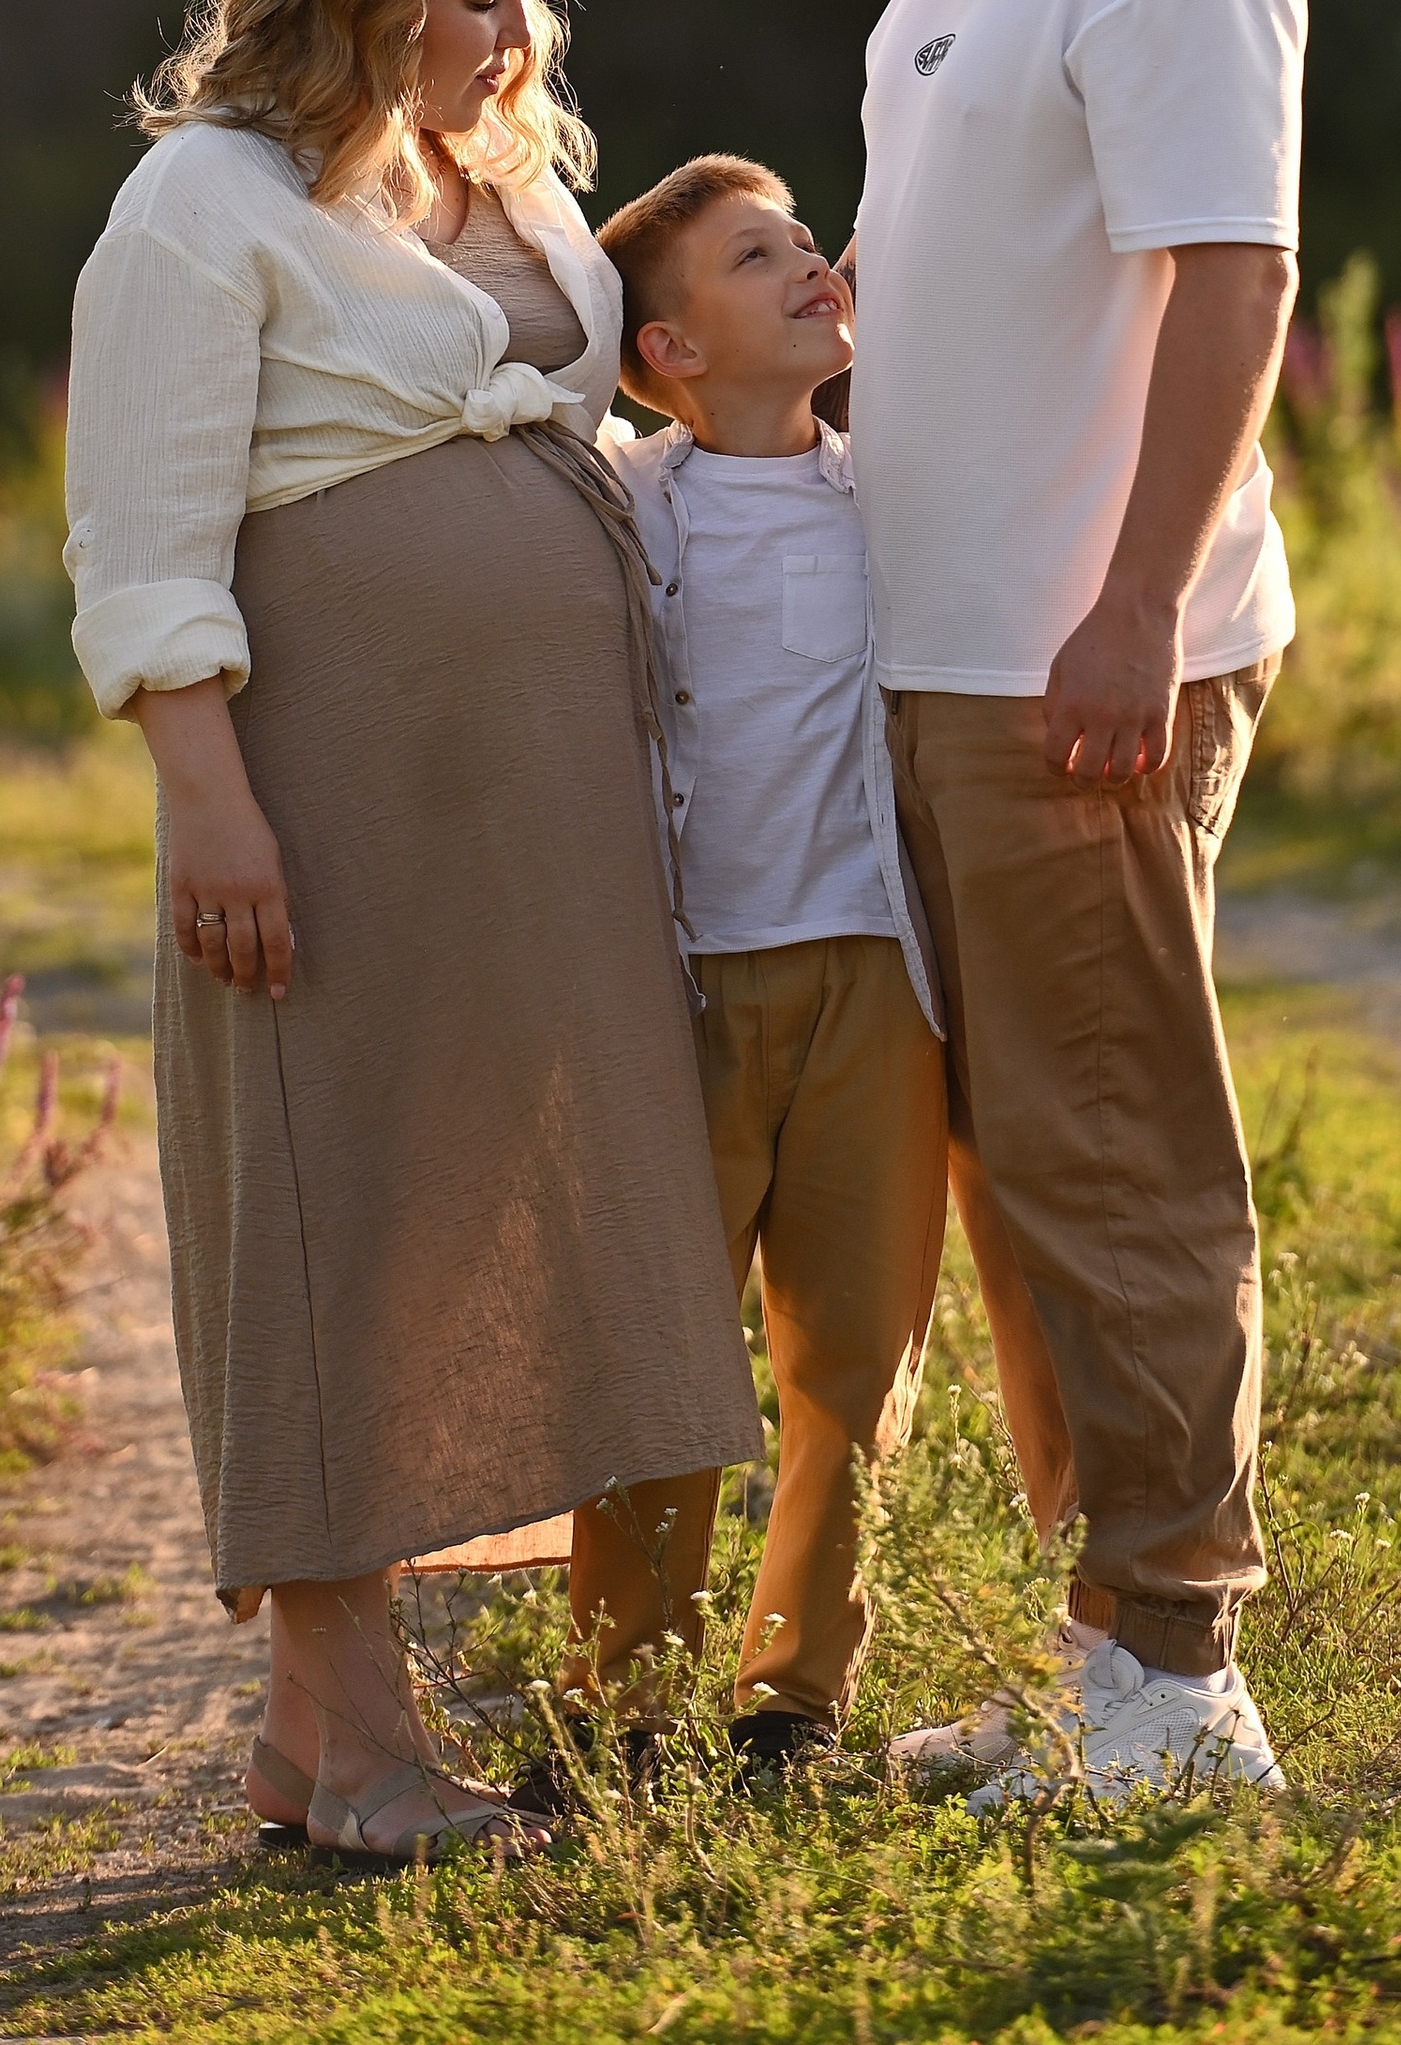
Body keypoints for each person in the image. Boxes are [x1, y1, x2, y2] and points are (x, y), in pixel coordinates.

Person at [62, 0, 759, 1864]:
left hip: (540, 816)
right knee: (334, 1216)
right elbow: (141, 537)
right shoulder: (201, 207)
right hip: (328, 792)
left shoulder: (494, 174)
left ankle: (323, 1738)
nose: (511, 33)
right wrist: (212, 808)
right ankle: (356, 1749)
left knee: (476, 1196)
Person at [751, 0, 1304, 1802]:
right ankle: (1106, 1673)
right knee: (1010, 1186)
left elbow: (1230, 276)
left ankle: (1181, 1689)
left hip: (1076, 666)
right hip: (939, 656)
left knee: (1110, 1153)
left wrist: (1135, 607)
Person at [557, 155, 947, 1771]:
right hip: (689, 992)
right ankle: (623, 1701)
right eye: (754, 256)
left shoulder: (896, 490)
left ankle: (795, 1699)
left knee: (854, 1363)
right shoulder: (622, 508)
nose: (810, 265)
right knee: (659, 1355)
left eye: (806, 240)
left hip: (871, 977)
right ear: (671, 355)